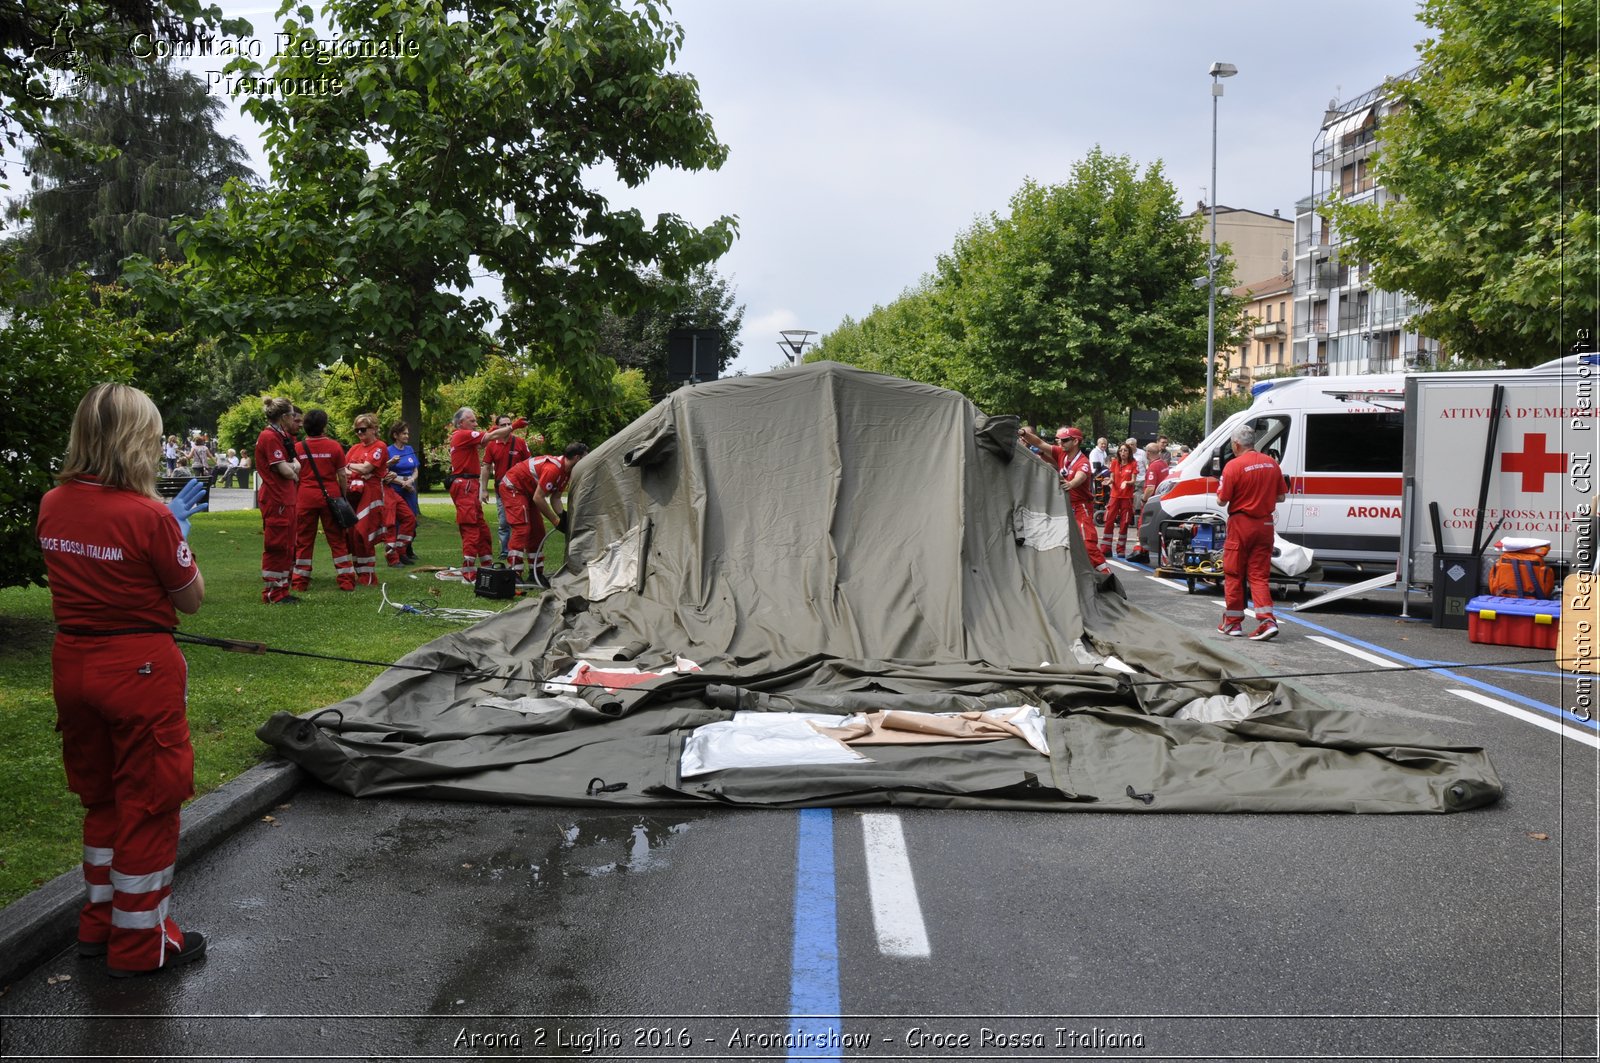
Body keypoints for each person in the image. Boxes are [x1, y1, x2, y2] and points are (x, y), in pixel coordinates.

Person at [37, 383, 210, 977]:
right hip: (138, 669)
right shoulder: (149, 514)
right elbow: (190, 601)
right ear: (139, 441)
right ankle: (141, 945)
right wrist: (177, 536)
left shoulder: (53, 502)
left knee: (102, 796)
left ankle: (99, 922)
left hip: (74, 662)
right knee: (151, 802)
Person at [1217, 424, 1287, 641]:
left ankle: (1232, 623)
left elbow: (1222, 499)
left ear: (1236, 444)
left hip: (1241, 524)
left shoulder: (1233, 466)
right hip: (1265, 525)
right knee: (1258, 575)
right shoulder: (1271, 464)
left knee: (1234, 573)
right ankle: (1267, 620)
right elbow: (1281, 497)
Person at [1017, 425, 1110, 575]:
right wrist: (1023, 433)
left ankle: (1106, 574)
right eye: (1058, 440)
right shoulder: (1061, 453)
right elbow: (1040, 443)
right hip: (1065, 505)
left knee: (1088, 544)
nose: (1060, 443)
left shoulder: (1083, 462)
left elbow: (1082, 475)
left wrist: (1071, 484)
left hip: (1081, 507)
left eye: (1065, 440)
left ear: (1075, 442)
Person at [503, 442, 588, 586]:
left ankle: (535, 573)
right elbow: (539, 497)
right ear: (577, 458)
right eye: (585, 458)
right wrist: (555, 520)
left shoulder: (566, 472)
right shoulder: (553, 469)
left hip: (529, 492)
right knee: (522, 528)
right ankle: (513, 573)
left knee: (537, 531)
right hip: (514, 488)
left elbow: (555, 498)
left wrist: (563, 516)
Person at [446, 408, 515, 584]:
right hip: (465, 486)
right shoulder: (462, 434)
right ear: (461, 423)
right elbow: (489, 438)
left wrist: (496, 429)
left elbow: (484, 441)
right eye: (472, 421)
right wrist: (512, 427)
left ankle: (486, 567)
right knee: (471, 529)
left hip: (469, 485)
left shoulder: (465, 437)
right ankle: (468, 574)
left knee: (482, 530)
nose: (476, 424)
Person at [291, 409, 354, 592]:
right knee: (337, 539)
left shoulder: (298, 448)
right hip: (331, 496)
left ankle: (300, 582)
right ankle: (346, 580)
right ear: (324, 426)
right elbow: (342, 475)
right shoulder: (334, 447)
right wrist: (343, 495)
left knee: (303, 540)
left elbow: (294, 474)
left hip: (305, 497)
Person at [255, 397, 301, 604]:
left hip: (286, 497)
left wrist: (292, 468)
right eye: (292, 415)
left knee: (288, 546)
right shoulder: (269, 437)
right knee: (276, 546)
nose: (294, 419)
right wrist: (293, 470)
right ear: (283, 417)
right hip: (276, 499)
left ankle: (282, 590)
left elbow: (294, 464)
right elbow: (285, 469)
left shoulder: (281, 436)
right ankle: (273, 592)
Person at [343, 413, 389, 586]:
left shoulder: (379, 446)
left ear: (374, 429)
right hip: (353, 494)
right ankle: (360, 572)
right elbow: (343, 468)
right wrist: (358, 471)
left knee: (364, 533)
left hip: (370, 495)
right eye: (357, 430)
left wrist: (353, 468)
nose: (360, 433)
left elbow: (367, 467)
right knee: (352, 534)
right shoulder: (354, 448)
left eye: (363, 429)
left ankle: (369, 574)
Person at [483, 414, 531, 561]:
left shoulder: (520, 443)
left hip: (518, 490)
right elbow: (486, 467)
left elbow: (529, 464)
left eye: (508, 424)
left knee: (518, 521)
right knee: (504, 521)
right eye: (502, 425)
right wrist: (484, 489)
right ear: (497, 427)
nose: (506, 427)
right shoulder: (492, 444)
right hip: (501, 489)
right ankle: (505, 550)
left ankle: (517, 549)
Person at [384, 420, 421, 564]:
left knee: (411, 520)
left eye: (407, 433)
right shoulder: (388, 451)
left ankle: (408, 549)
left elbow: (415, 470)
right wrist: (401, 482)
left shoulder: (410, 449)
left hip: (410, 489)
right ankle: (399, 552)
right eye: (404, 433)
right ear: (395, 435)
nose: (407, 436)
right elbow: (384, 471)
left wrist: (410, 481)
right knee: (399, 521)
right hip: (395, 489)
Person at [1102, 442, 1138, 560]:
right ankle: (1106, 549)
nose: (1123, 452)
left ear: (1129, 452)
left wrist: (1126, 482)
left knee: (1124, 523)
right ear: (1118, 452)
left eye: (1125, 450)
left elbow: (1133, 480)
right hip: (1114, 496)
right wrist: (1109, 481)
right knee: (1108, 521)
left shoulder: (1133, 463)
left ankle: (1120, 549)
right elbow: (1112, 478)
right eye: (1121, 450)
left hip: (1126, 498)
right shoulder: (1114, 463)